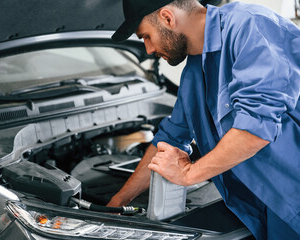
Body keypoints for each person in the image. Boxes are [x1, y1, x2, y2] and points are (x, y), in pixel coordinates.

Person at [108, 0, 300, 239]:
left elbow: (256, 128)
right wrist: (119, 200)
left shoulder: (250, 26)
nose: (147, 50)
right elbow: (169, 139)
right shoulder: (194, 71)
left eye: (146, 36)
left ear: (168, 18)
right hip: (262, 207)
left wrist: (188, 174)